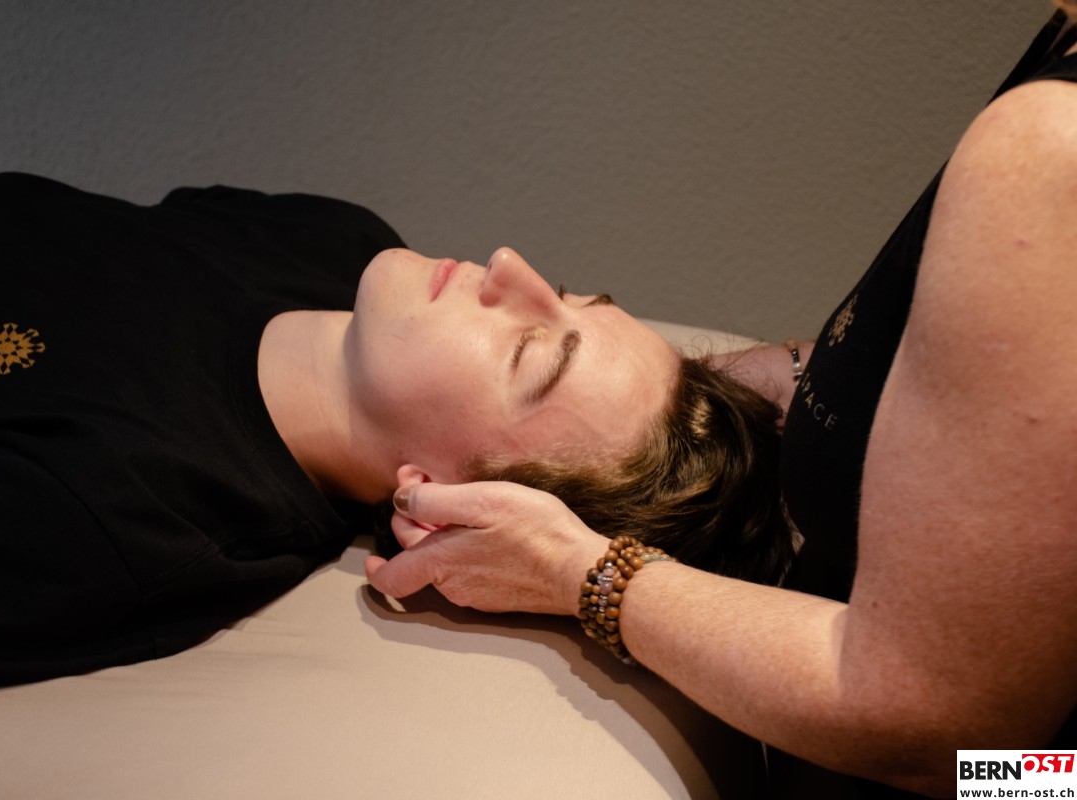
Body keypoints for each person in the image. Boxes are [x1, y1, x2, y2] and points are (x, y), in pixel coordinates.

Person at [366, 7, 1077, 798]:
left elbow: (974, 756)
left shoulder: (1051, 148)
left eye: (536, 352)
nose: (508, 260)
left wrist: (578, 572)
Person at [0, 163, 793, 699]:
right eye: (566, 293)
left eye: (527, 351)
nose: (510, 266)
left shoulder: (131, 516)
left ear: (449, 506)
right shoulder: (332, 239)